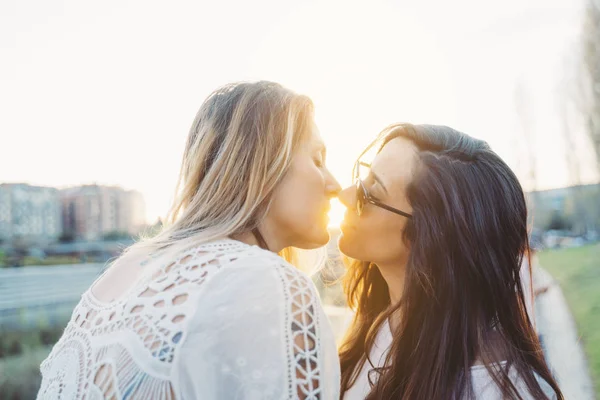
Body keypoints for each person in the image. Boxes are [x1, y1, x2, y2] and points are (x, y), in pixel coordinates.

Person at [37, 81, 342, 399]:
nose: (335, 186)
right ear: (263, 165)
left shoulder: (124, 270)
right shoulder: (264, 281)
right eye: (318, 160)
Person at [337, 123, 563, 399]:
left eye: (371, 194)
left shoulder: (489, 389)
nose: (345, 195)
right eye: (363, 178)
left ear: (425, 238)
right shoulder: (380, 321)